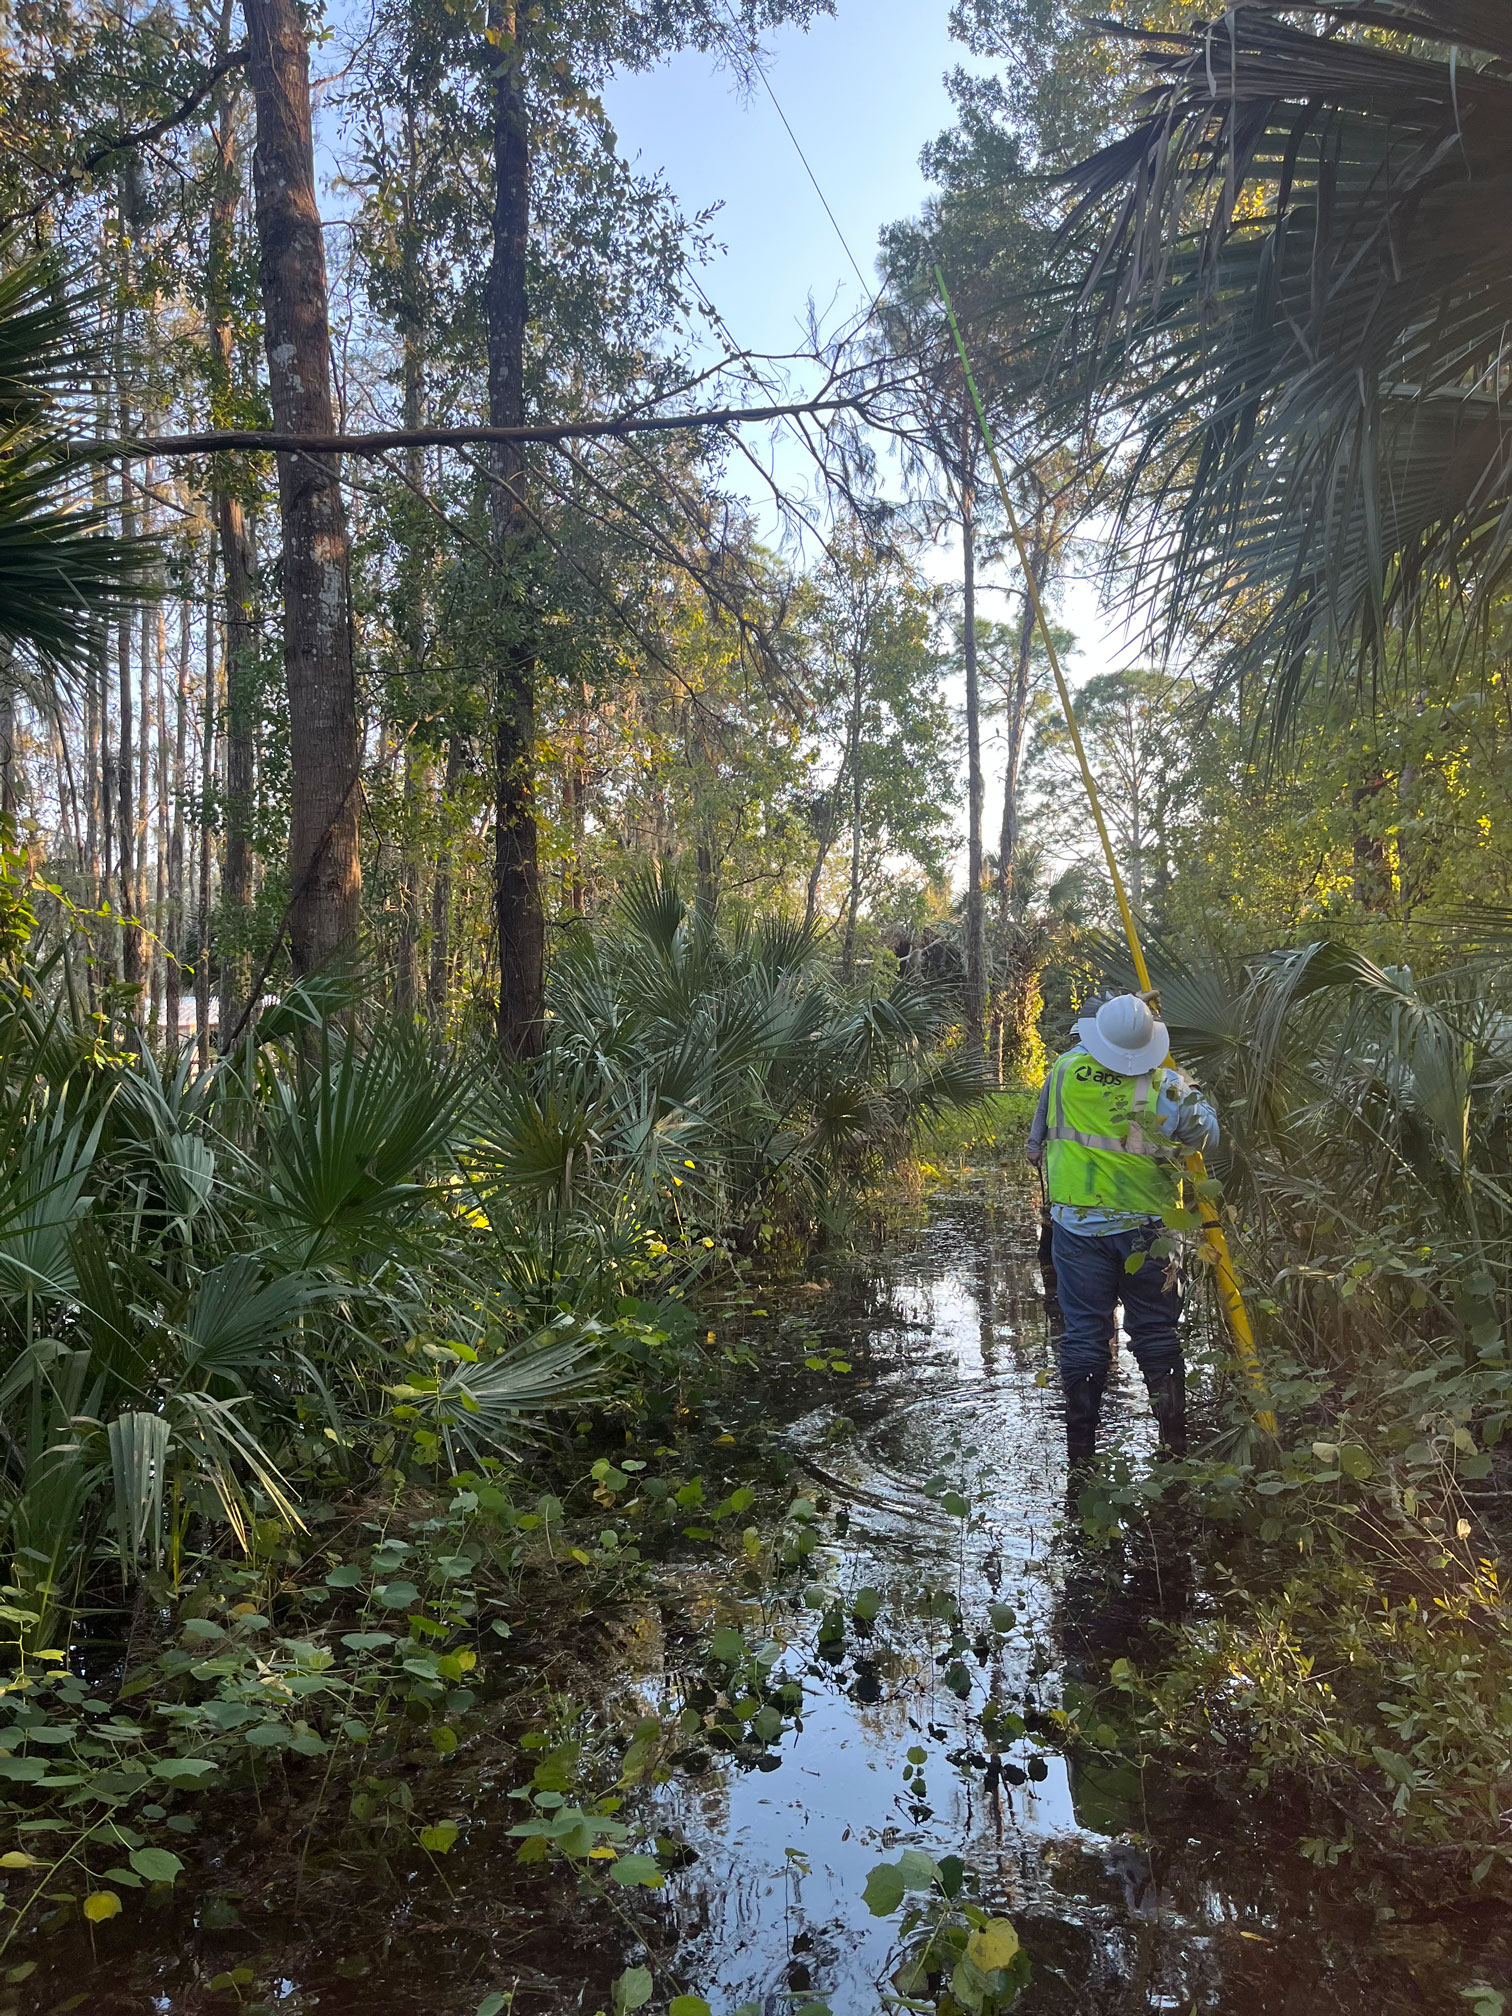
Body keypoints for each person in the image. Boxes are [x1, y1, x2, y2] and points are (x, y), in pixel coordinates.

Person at [1025, 992, 1218, 1467]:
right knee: (1155, 1333)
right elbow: (1207, 1132)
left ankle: (1081, 1459)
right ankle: (1174, 1450)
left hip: (1078, 1226)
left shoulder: (1065, 1071)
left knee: (1085, 1335)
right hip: (1151, 1228)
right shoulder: (1167, 1084)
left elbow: (1037, 1143)